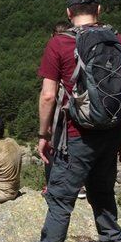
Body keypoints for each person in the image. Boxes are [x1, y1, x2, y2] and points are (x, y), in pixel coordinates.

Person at [23, 0, 121, 242]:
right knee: (102, 190)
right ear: (99, 9)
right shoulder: (117, 40)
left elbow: (48, 96)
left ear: (69, 13)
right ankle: (112, 241)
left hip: (75, 135)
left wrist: (43, 134)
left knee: (61, 199)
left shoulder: (59, 43)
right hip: (111, 131)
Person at [43, 21, 87, 201]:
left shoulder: (56, 50)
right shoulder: (81, 51)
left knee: (52, 150)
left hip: (62, 113)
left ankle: (52, 186)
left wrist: (43, 130)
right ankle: (82, 187)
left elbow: (48, 95)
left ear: (54, 36)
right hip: (85, 109)